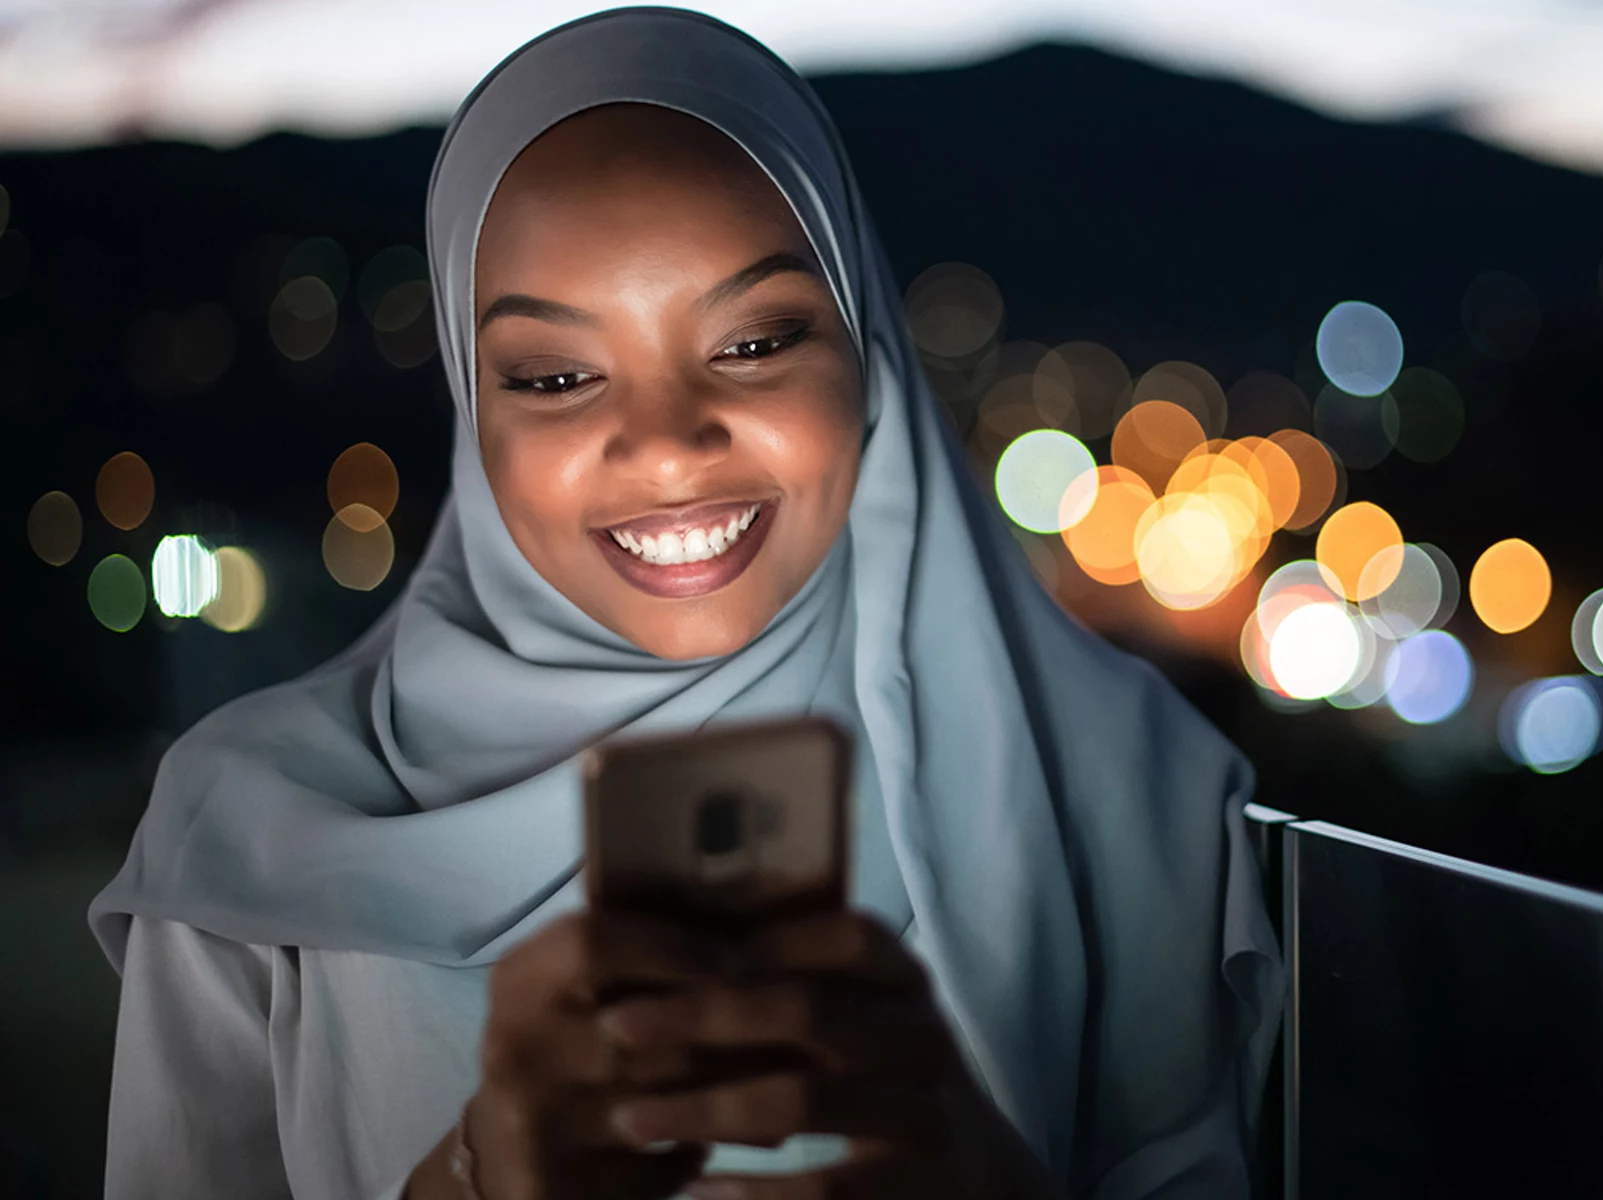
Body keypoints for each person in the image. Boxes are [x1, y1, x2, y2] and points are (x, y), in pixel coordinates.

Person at [88, 8, 1280, 1199]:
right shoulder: (247, 836)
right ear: (471, 408)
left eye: (757, 342)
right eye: (554, 376)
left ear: (865, 350)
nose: (664, 444)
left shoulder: (1124, 791)